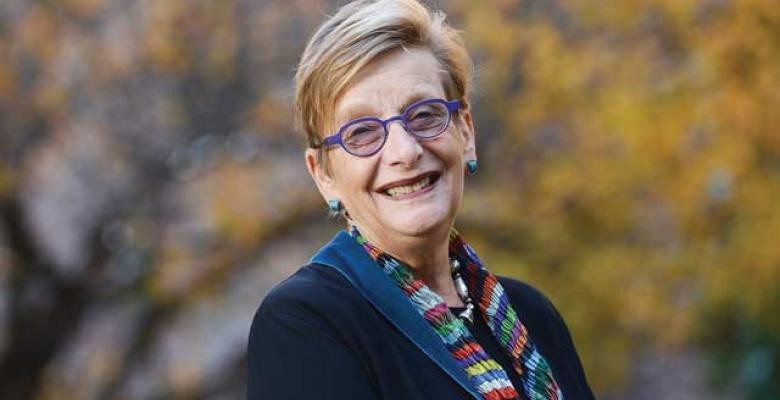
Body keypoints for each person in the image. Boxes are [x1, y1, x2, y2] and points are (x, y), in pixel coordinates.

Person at [247, 0, 594, 399]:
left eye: (424, 115)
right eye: (361, 132)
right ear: (323, 174)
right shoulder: (307, 323)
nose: (405, 151)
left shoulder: (533, 318)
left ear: (465, 132)